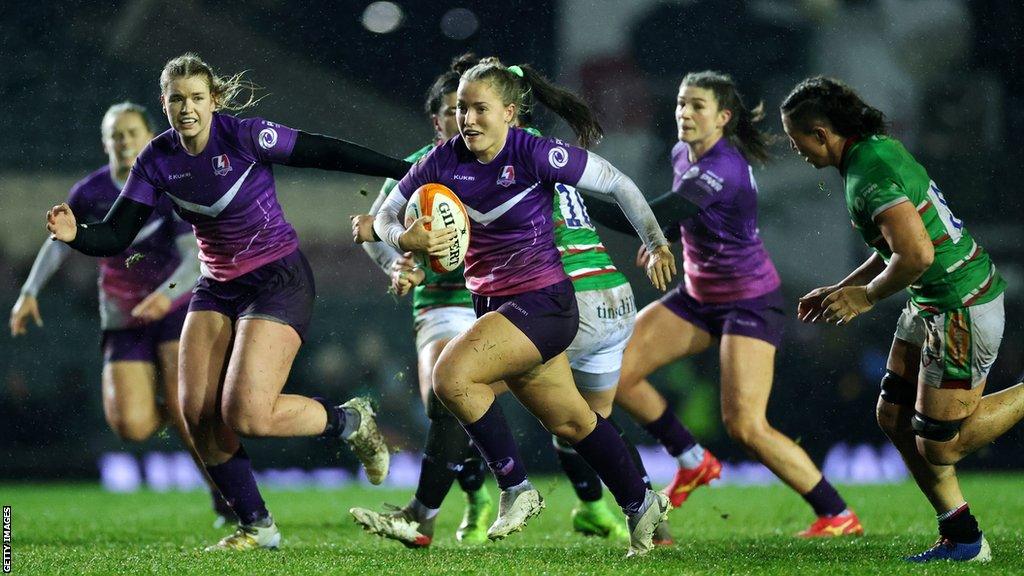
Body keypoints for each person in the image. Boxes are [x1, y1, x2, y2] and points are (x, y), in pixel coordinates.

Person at [45, 53, 408, 551]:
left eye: (197, 98)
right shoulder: (156, 158)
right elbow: (114, 234)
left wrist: (404, 172)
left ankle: (351, 421)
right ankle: (258, 526)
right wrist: (76, 234)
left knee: (249, 415)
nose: (187, 108)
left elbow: (326, 152)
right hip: (216, 287)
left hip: (276, 279)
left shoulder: (243, 136)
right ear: (165, 103)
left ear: (214, 100)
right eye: (177, 99)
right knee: (196, 414)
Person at [350, 55, 665, 548]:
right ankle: (642, 506)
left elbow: (617, 182)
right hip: (495, 305)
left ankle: (515, 487)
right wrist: (402, 239)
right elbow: (386, 213)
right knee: (573, 420)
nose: (468, 119)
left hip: (545, 304)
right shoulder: (445, 159)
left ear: (511, 113)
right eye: (462, 110)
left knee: (451, 376)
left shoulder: (534, 152)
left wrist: (655, 240)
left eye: (480, 109)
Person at [586, 71, 862, 537]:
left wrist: (572, 193)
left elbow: (660, 212)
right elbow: (680, 217)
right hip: (697, 298)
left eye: (696, 106)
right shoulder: (682, 154)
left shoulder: (723, 167)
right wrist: (661, 239)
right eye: (680, 104)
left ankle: (837, 514)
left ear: (723, 117)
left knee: (746, 426)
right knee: (613, 371)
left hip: (748, 304)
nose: (684, 113)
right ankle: (692, 459)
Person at [781, 76, 1024, 562]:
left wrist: (866, 298)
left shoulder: (869, 174)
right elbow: (895, 246)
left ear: (822, 132)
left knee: (940, 447)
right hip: (931, 301)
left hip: (959, 304)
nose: (797, 151)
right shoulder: (872, 153)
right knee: (892, 416)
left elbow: (914, 254)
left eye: (797, 140)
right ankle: (963, 537)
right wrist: (844, 287)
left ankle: (967, 540)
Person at [11, 101, 236, 526]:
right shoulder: (90, 192)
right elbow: (58, 241)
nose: (124, 141)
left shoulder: (172, 186)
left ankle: (226, 496)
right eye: (116, 134)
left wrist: (165, 295)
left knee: (184, 400)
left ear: (149, 137)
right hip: (122, 313)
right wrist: (29, 292)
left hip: (176, 307)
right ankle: (178, 408)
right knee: (132, 426)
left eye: (132, 132)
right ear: (105, 143)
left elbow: (196, 259)